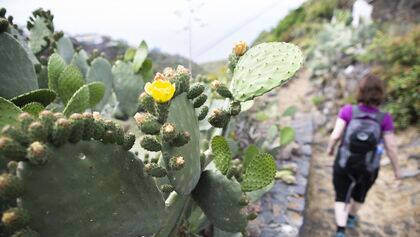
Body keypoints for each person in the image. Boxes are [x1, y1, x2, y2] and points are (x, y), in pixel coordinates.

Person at [326, 74, 400, 237]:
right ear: (380, 94)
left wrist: (330, 149)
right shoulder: (384, 118)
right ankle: (351, 217)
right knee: (360, 194)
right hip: (369, 166)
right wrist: (396, 170)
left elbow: (335, 135)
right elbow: (391, 147)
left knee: (341, 195)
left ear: (360, 91)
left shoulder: (348, 110)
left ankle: (340, 230)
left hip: (345, 161)